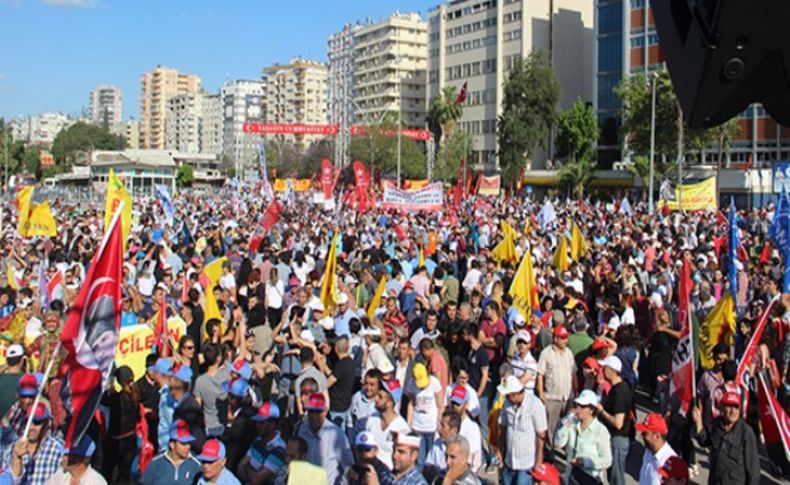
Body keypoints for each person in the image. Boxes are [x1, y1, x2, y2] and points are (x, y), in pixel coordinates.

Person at [692, 392, 760, 485]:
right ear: (722, 408)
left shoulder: (746, 433)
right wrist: (698, 422)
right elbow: (703, 441)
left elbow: (753, 470)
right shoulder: (716, 424)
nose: (733, 411)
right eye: (729, 406)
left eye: (736, 407)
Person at [496, 375, 548, 485]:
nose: (505, 397)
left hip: (526, 462)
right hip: (509, 460)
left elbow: (541, 435)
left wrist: (539, 461)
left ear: (515, 394)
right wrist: (499, 451)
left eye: (508, 395)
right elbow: (502, 428)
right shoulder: (506, 404)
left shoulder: (535, 405)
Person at [555, 390, 612, 485]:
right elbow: (558, 443)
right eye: (577, 405)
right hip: (571, 477)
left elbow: (607, 460)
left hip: (589, 479)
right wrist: (566, 424)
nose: (578, 409)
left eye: (582, 406)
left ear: (592, 410)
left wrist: (585, 462)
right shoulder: (573, 425)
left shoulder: (600, 431)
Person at [297, 392, 353, 485]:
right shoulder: (302, 430)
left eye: (318, 412)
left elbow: (348, 468)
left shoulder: (337, 434)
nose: (314, 416)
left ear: (325, 411)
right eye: (311, 411)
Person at [536, 325, 576, 448]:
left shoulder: (569, 353)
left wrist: (576, 390)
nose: (565, 340)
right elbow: (540, 374)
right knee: (551, 429)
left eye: (566, 338)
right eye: (562, 338)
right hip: (552, 398)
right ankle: (551, 452)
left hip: (568, 397)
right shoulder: (546, 353)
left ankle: (565, 449)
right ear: (555, 339)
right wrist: (541, 394)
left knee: (568, 427)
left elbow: (573, 373)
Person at [5, 403, 63, 484]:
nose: (31, 427)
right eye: (27, 422)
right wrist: (16, 459)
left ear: (46, 424)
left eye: (37, 422)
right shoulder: (11, 450)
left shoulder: (58, 449)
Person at [596, 355, 632, 485]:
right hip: (616, 439)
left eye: (605, 368)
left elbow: (618, 423)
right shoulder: (619, 387)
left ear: (612, 370)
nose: (602, 370)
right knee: (613, 476)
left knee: (616, 478)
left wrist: (602, 411)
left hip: (618, 440)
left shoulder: (619, 392)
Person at [100, 365, 140, 484]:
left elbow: (102, 400)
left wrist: (109, 385)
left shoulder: (116, 398)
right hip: (130, 440)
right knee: (124, 473)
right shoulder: (136, 395)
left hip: (115, 441)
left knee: (107, 471)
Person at [365, 378, 412, 470]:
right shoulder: (371, 419)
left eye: (380, 397)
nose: (376, 399)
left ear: (389, 403)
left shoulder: (402, 428)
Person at [236, 401, 287, 485]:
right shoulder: (257, 440)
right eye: (257, 421)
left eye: (262, 422)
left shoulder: (279, 449)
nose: (257, 425)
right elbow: (239, 468)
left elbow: (256, 480)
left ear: (272, 424)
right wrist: (253, 474)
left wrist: (248, 467)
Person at [405, 362, 444, 468]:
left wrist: (439, 424)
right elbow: (411, 404)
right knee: (420, 459)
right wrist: (409, 424)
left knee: (432, 459)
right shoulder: (411, 384)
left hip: (432, 426)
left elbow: (440, 405)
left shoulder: (434, 383)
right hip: (417, 425)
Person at [141, 419, 202, 485]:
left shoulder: (196, 464)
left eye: (189, 443)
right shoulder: (156, 463)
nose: (188, 447)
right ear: (172, 445)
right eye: (183, 443)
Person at [636, 413, 677, 485]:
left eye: (645, 433)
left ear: (657, 436)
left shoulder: (670, 463)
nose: (641, 436)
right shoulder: (648, 450)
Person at [348, 369, 381, 441]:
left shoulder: (382, 401)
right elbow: (350, 421)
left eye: (372, 385)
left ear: (379, 385)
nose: (368, 388)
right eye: (366, 383)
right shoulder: (357, 397)